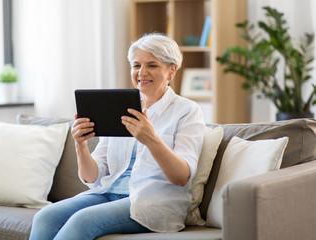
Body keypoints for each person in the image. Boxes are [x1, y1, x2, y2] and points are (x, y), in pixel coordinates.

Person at [29, 33, 205, 240]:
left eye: (152, 65)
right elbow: (92, 177)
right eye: (136, 65)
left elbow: (181, 177)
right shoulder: (120, 106)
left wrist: (151, 138)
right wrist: (81, 145)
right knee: (45, 217)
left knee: (82, 221)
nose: (142, 73)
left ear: (171, 71)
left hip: (152, 202)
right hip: (108, 193)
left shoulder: (187, 111)